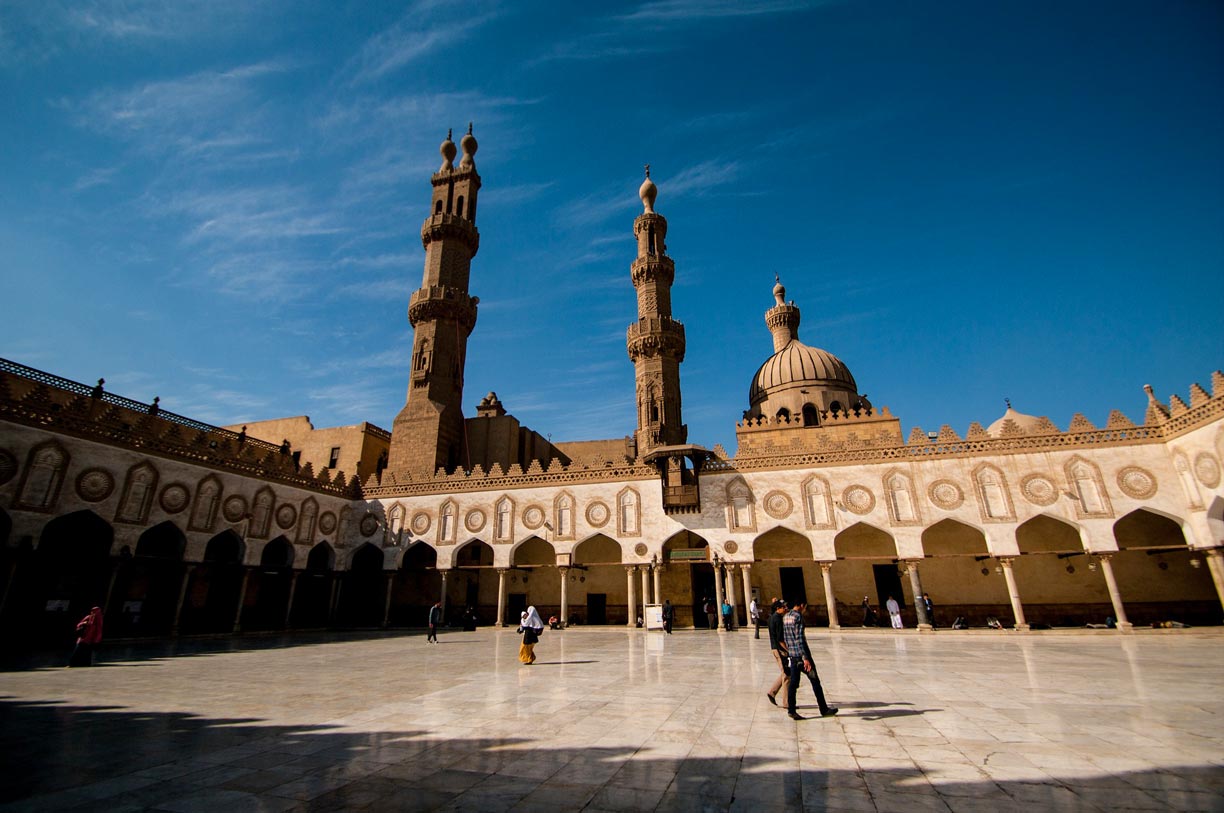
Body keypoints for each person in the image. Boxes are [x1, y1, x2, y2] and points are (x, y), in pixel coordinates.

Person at [782, 600, 837, 720]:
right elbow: (800, 638)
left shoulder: (785, 617)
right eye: (805, 607)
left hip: (793, 655)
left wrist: (791, 652)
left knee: (793, 684)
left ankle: (791, 710)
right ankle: (824, 709)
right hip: (802, 657)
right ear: (802, 605)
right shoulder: (798, 617)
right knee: (815, 682)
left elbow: (786, 637)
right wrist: (805, 658)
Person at [764, 600, 790, 706]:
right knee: (787, 675)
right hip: (779, 649)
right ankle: (787, 703)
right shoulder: (778, 619)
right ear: (778, 608)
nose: (785, 609)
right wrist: (788, 650)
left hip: (774, 648)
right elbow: (780, 639)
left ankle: (772, 692)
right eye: (784, 607)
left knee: (785, 672)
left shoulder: (771, 618)